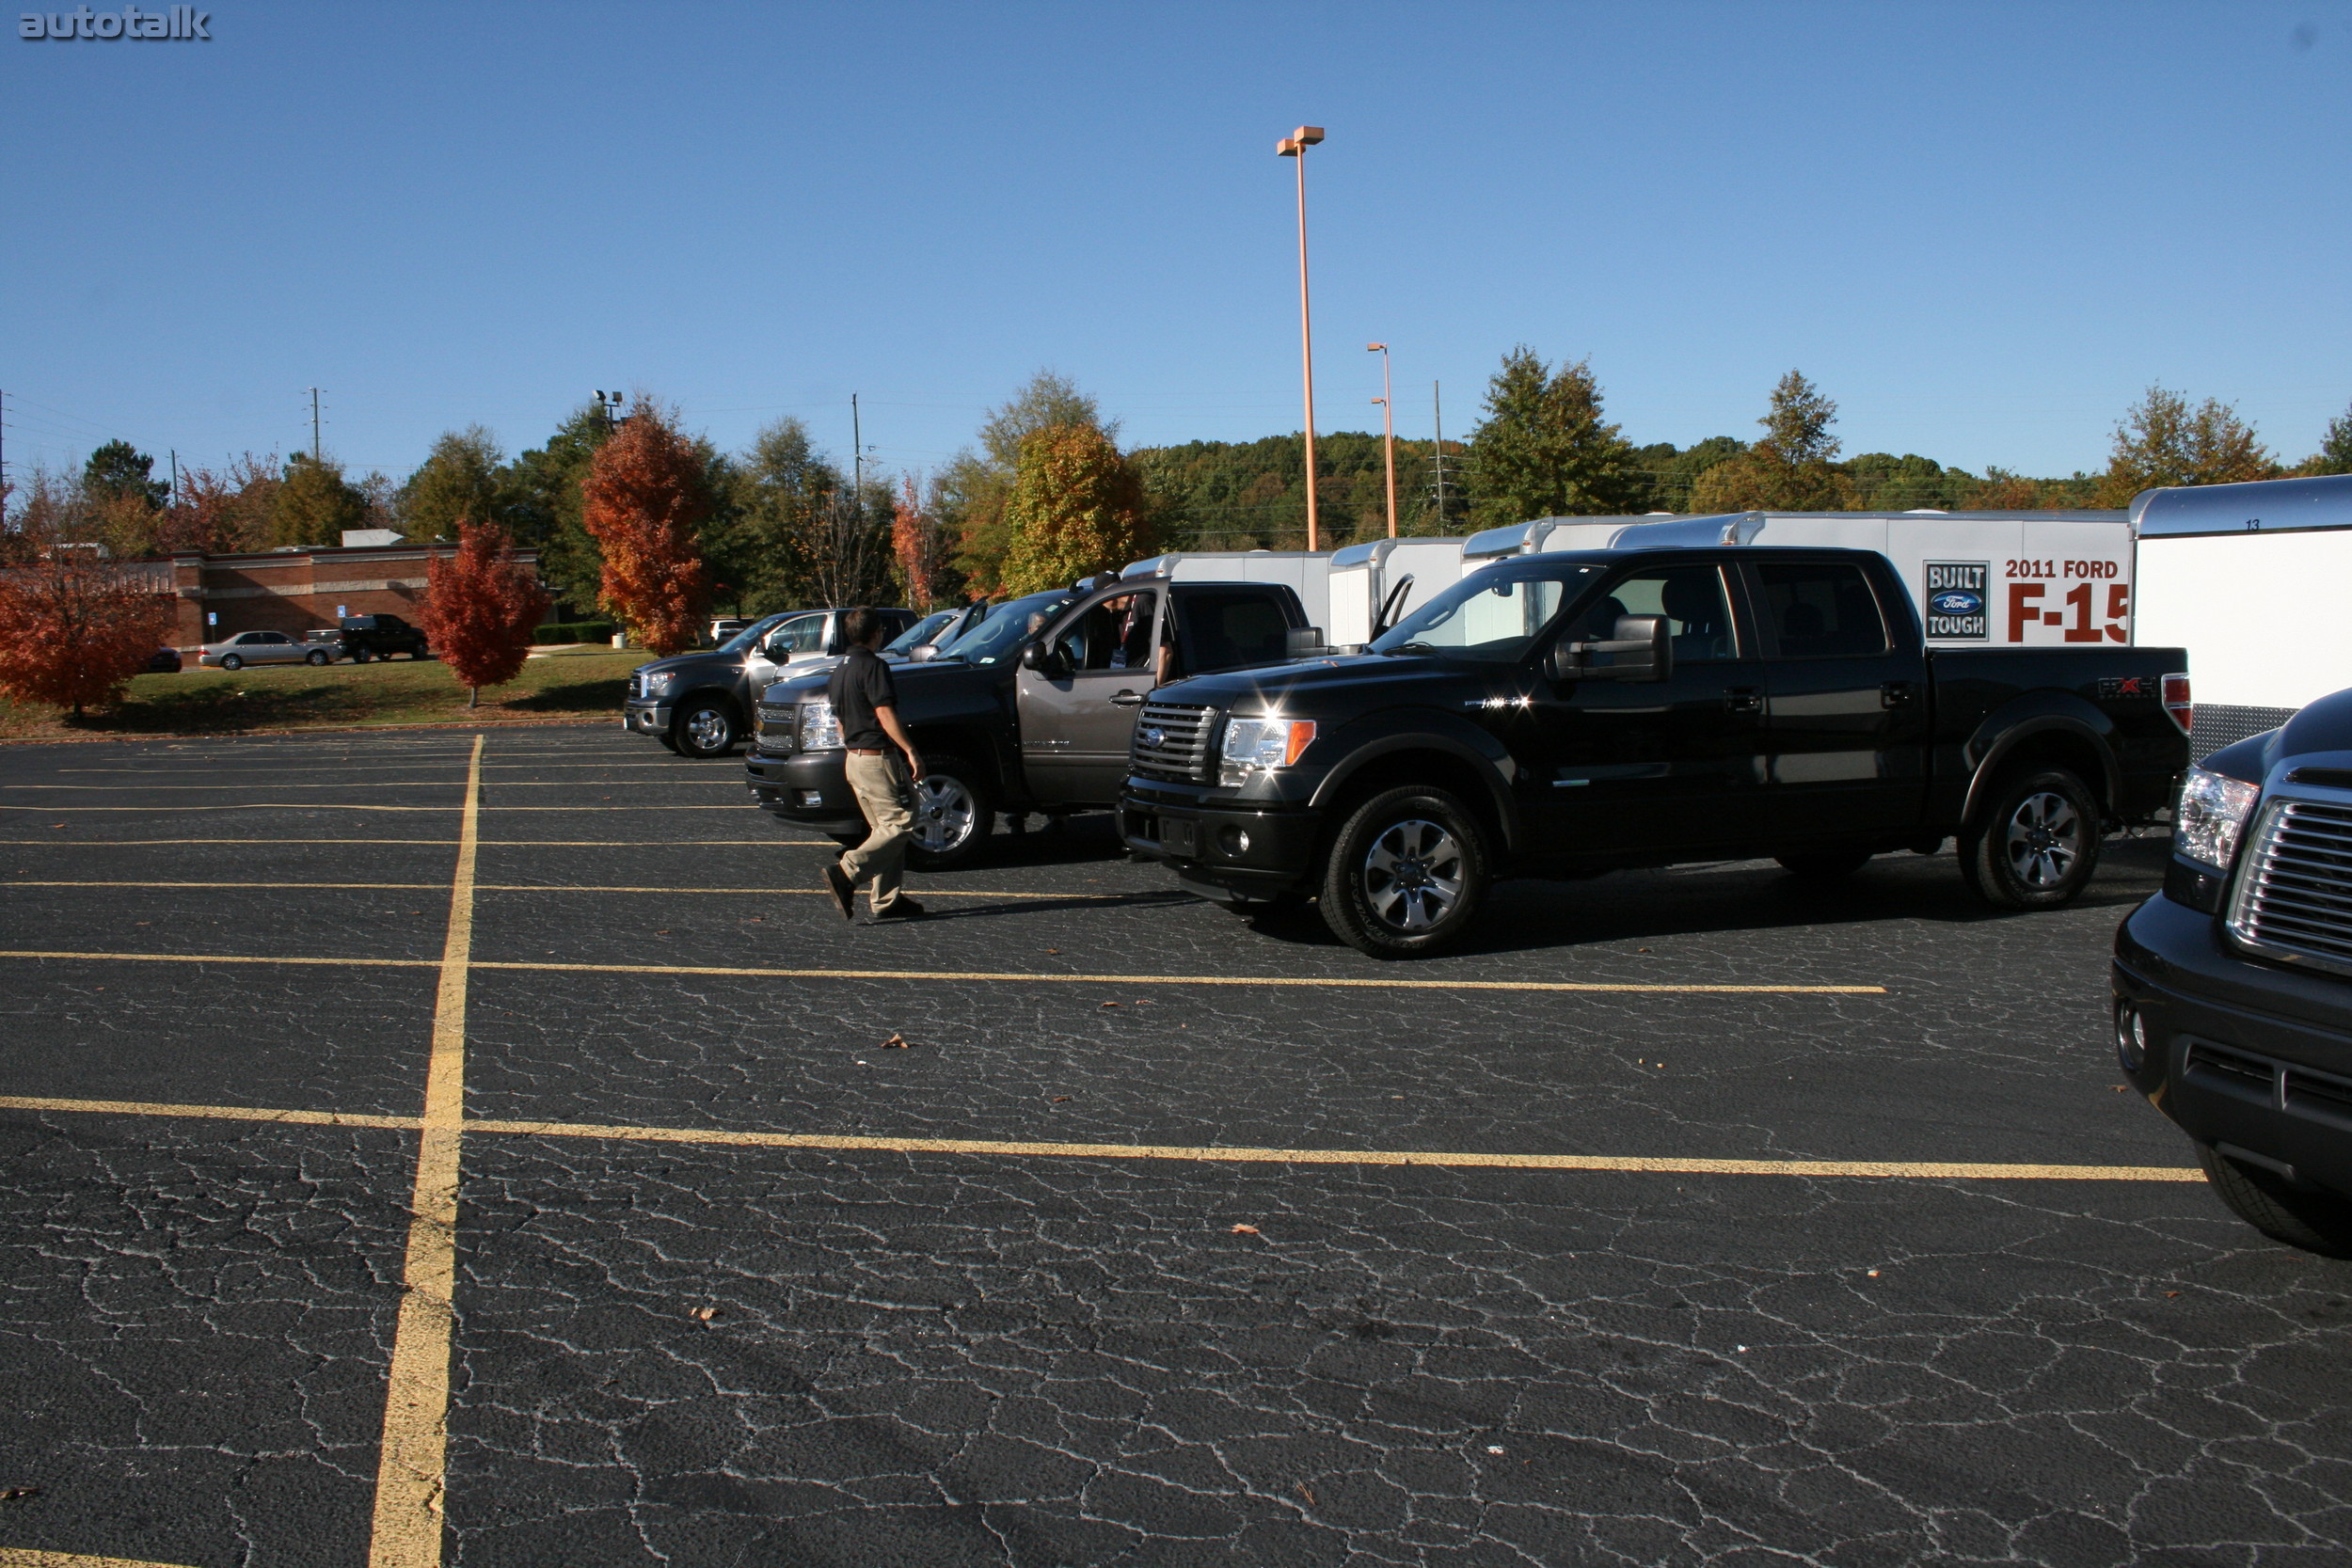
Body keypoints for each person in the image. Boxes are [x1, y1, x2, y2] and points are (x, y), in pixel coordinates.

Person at [821, 608, 927, 922]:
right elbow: (884, 712)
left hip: (853, 759)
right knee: (902, 822)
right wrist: (910, 750)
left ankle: (886, 900)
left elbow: (839, 719)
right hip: (877, 759)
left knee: (883, 829)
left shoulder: (839, 669)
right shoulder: (873, 666)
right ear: (877, 633)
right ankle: (846, 872)